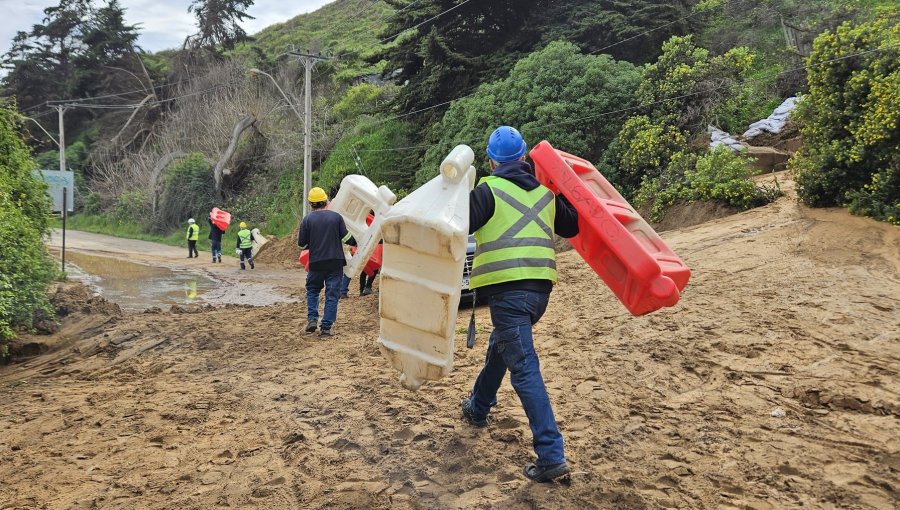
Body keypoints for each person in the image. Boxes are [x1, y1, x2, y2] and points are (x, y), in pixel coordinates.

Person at [460, 126, 579, 483]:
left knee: (524, 368)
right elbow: (571, 226)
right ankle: (478, 407)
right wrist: (560, 187)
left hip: (508, 295)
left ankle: (550, 454)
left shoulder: (488, 191)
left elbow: (456, 226)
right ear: (525, 156)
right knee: (503, 346)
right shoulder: (546, 194)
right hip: (539, 294)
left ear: (492, 161)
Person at [298, 187, 356, 337]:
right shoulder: (336, 217)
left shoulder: (307, 220)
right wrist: (357, 242)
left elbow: (301, 244)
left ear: (311, 204)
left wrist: (313, 241)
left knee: (312, 290)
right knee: (332, 294)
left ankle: (312, 319)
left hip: (316, 262)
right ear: (326, 201)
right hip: (335, 262)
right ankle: (326, 329)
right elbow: (347, 238)